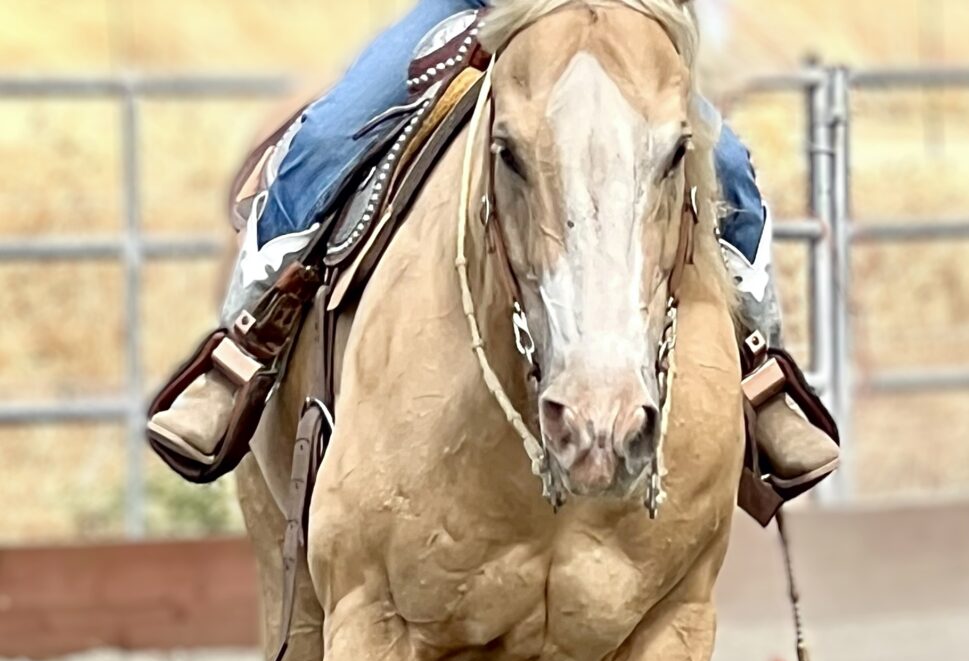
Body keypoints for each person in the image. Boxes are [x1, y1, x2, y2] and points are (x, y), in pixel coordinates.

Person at [148, 0, 838, 498]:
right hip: (487, 9)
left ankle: (758, 373)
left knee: (731, 173)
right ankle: (245, 348)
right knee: (329, 136)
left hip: (624, 15)